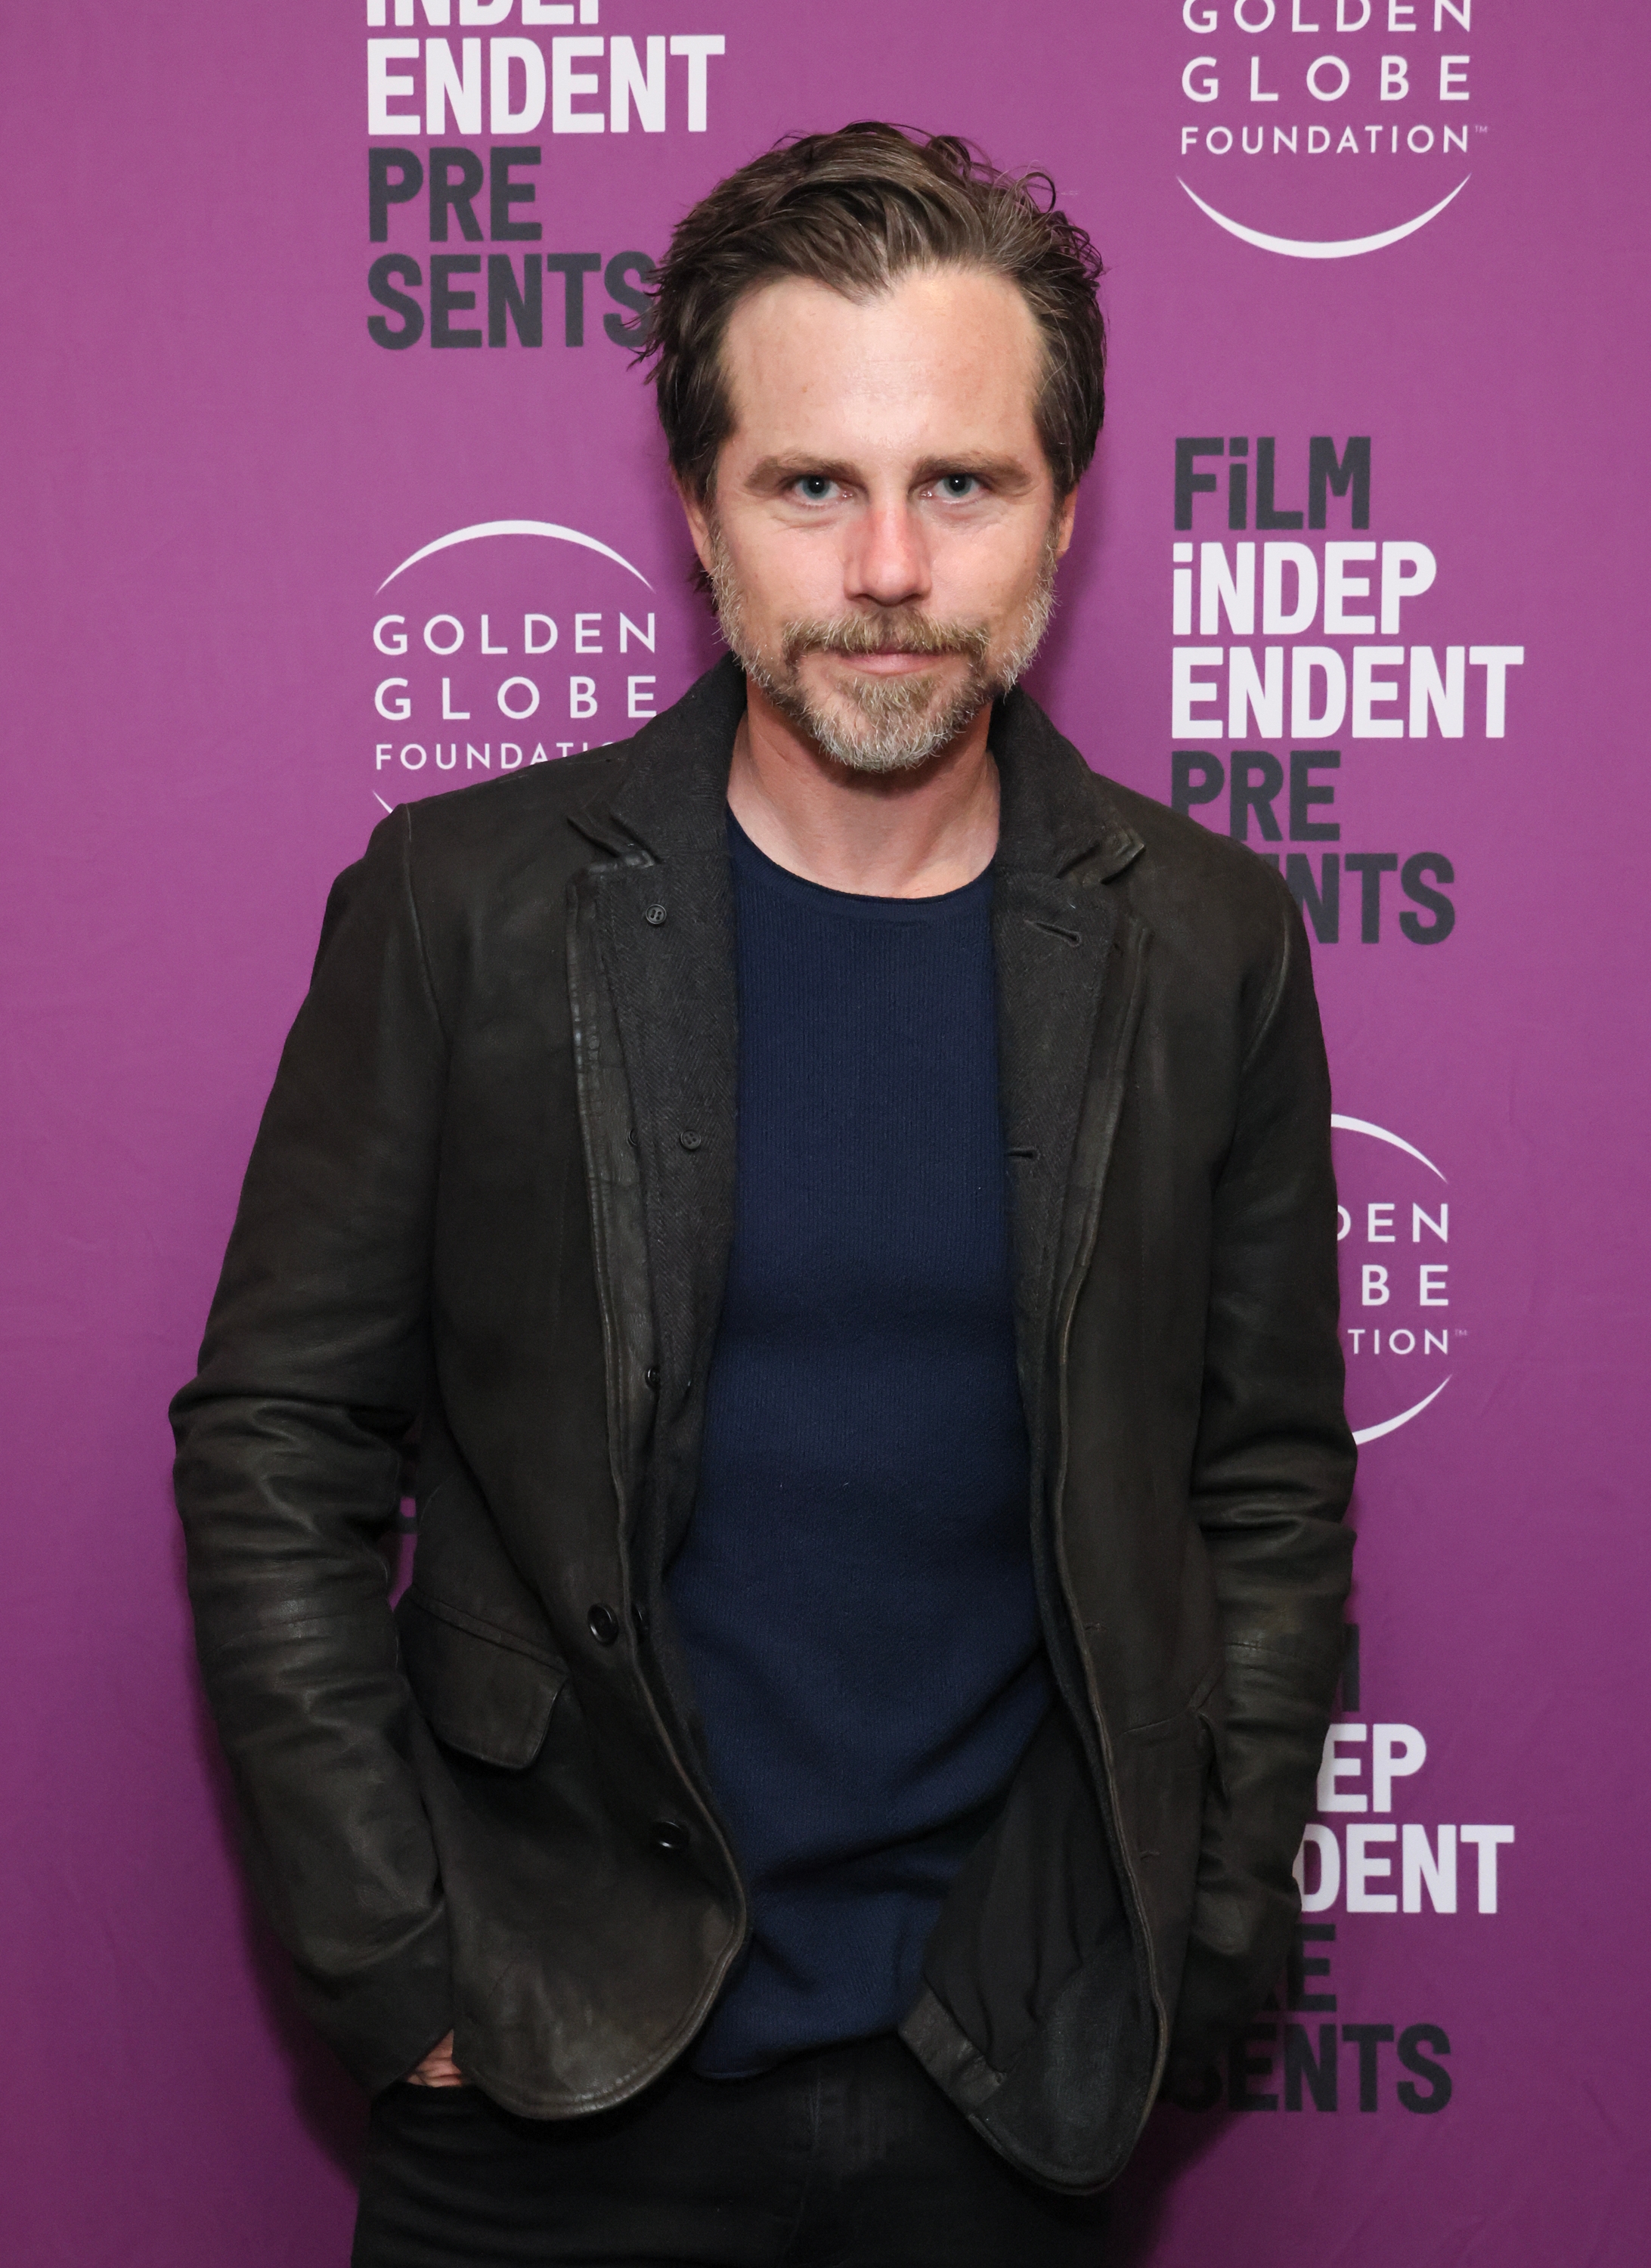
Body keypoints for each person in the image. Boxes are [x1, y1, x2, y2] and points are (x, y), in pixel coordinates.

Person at [172, 122, 1355, 2266]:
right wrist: (395, 1963)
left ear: (1065, 510)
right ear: (701, 510)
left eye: (960, 483)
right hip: (542, 2069)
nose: (889, 567)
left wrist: (1204, 1934)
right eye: (813, 484)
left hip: (1014, 2080)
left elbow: (1262, 1478)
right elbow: (278, 1439)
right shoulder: (467, 908)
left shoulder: (1209, 943)